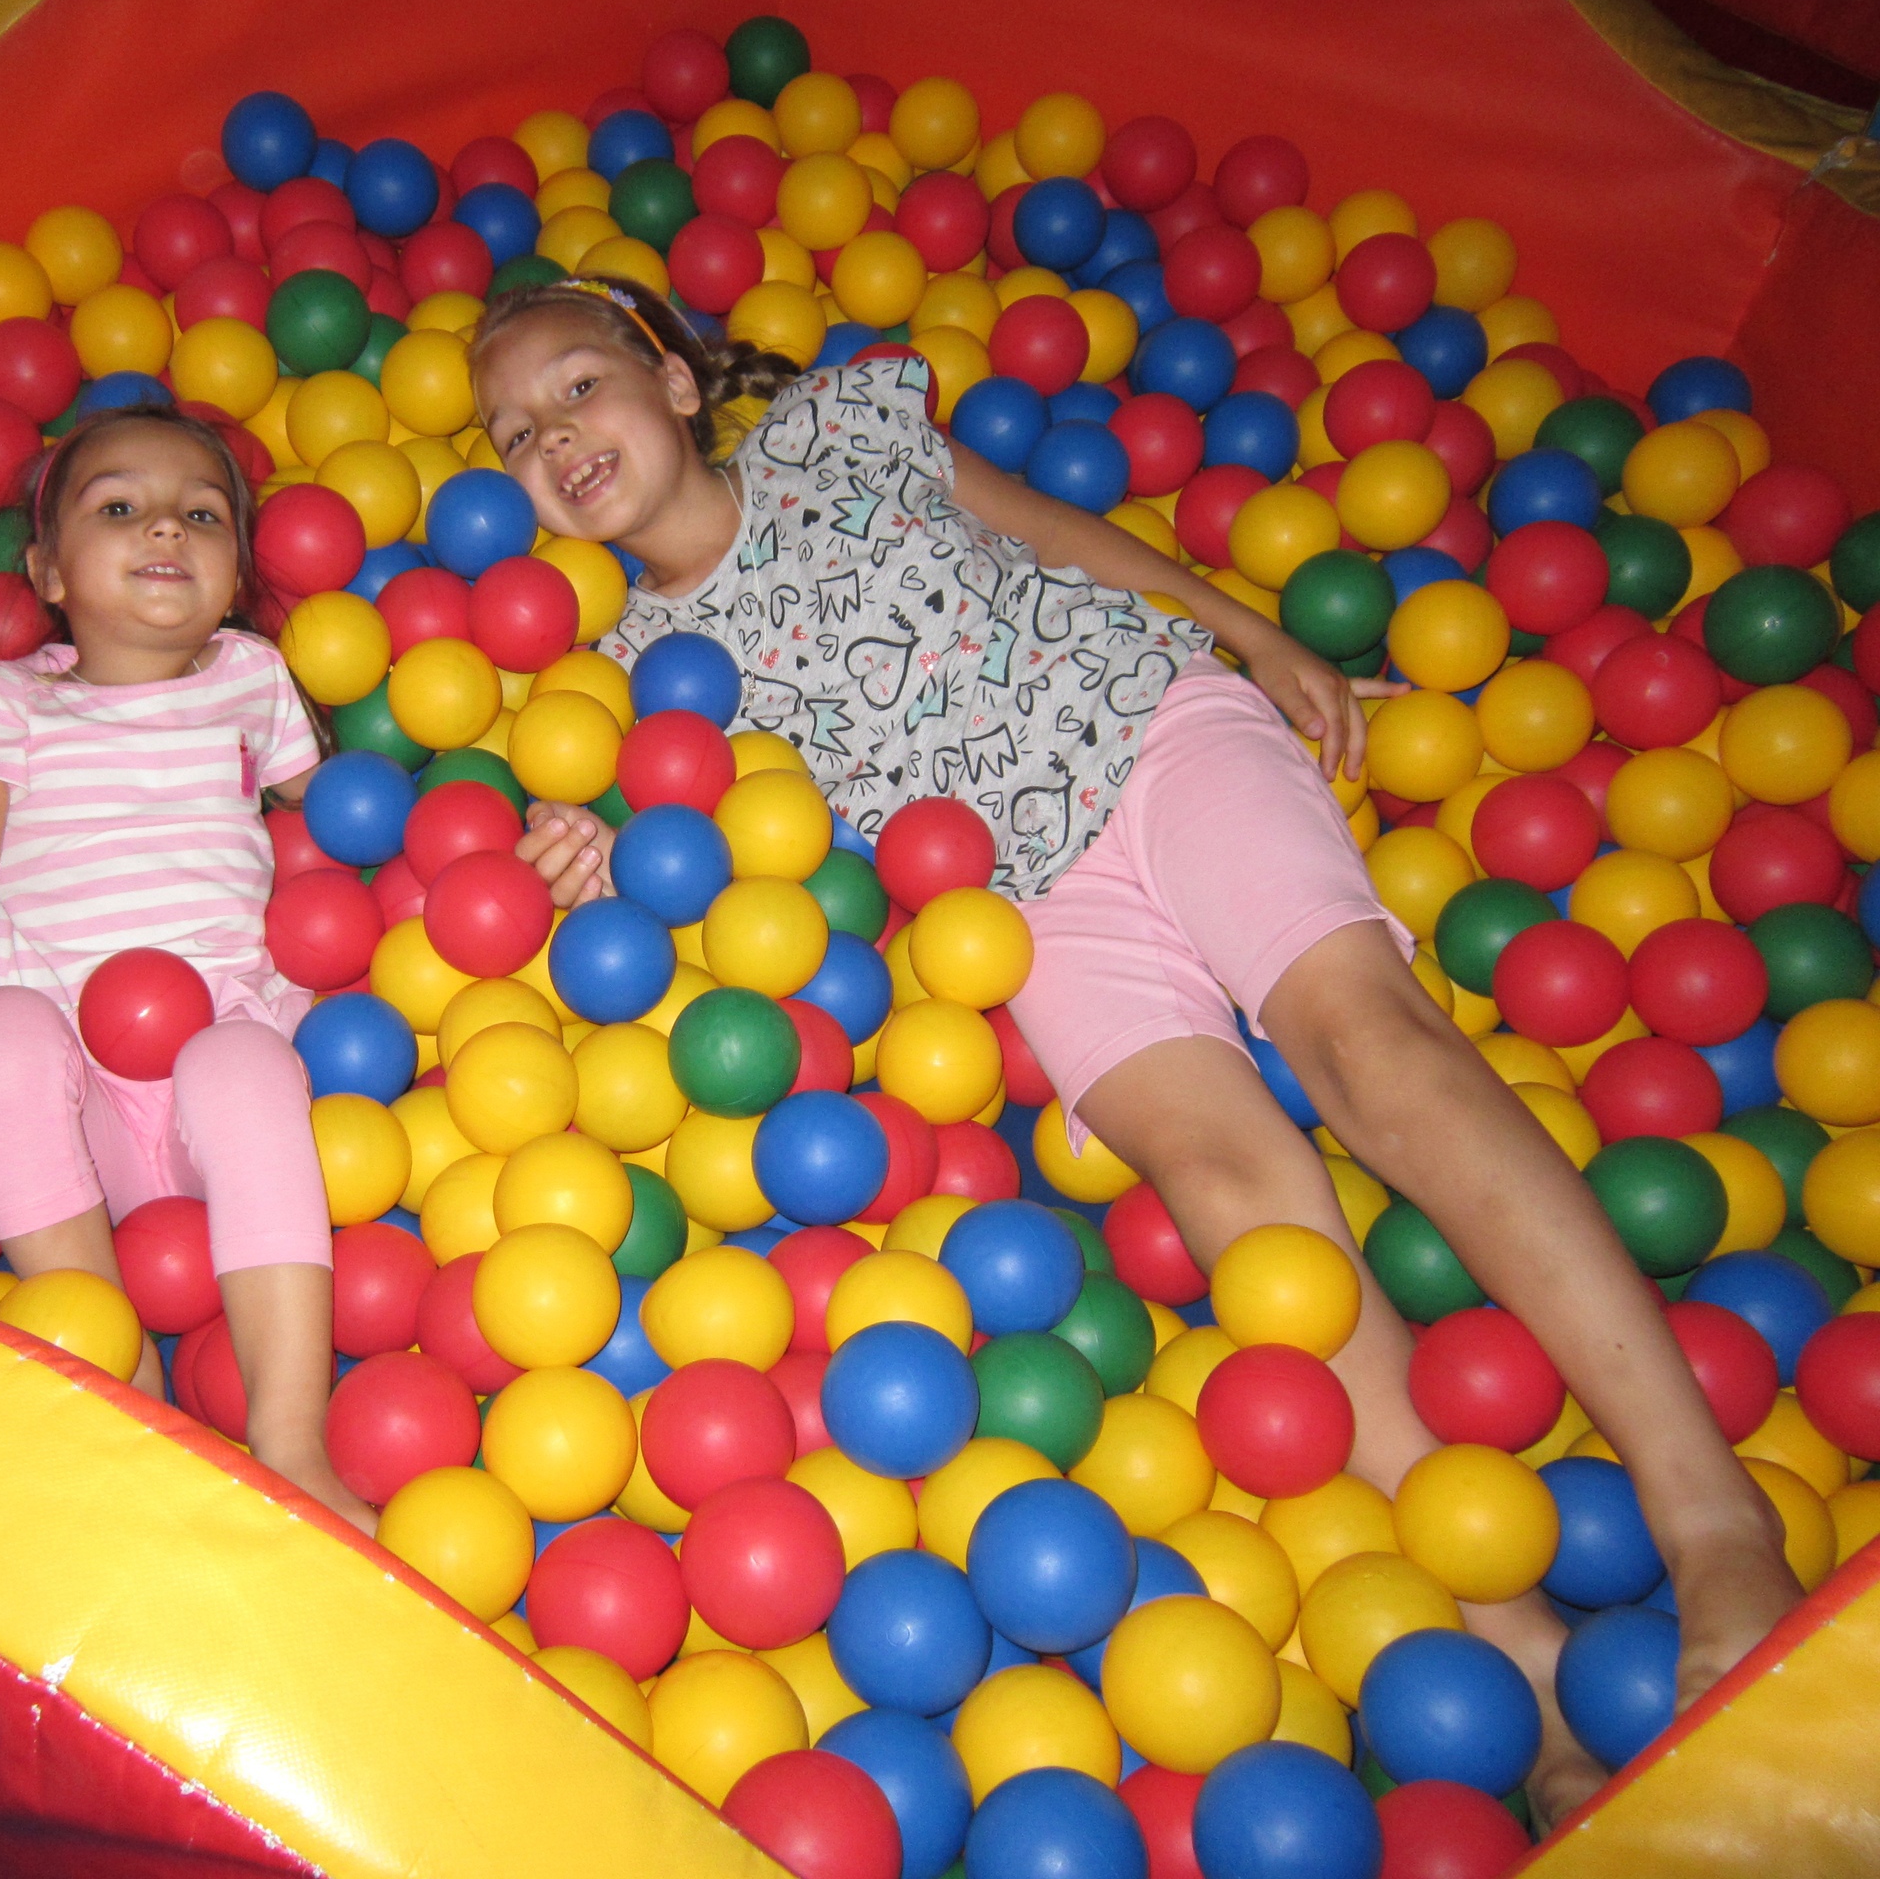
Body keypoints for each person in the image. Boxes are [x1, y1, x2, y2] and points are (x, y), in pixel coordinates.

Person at [471, 277, 1801, 1819]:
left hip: (1143, 728)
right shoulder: (625, 678)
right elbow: (707, 881)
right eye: (514, 434)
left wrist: (1250, 633)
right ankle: (1526, 1656)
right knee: (1230, 1187)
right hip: (1015, 900)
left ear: (676, 382)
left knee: (1365, 1045)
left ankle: (1715, 1524)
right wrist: (596, 851)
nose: (553, 437)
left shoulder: (839, 426)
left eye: (579, 387)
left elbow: (1054, 528)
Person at [0, 404, 373, 1533]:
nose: (166, 529)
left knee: (238, 1063)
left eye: (202, 516)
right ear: (47, 571)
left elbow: (345, 820)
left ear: (236, 580)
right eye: (120, 507)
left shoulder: (251, 675)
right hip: (72, 1112)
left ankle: (292, 1438)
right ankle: (123, 1388)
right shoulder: (3, 700)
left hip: (225, 1080)